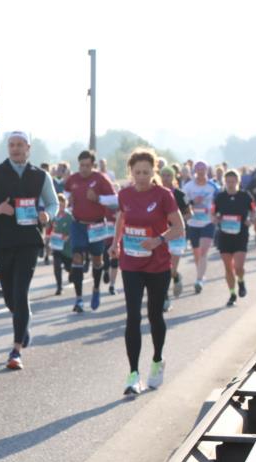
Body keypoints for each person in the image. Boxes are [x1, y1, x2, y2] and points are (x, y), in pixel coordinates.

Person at [0, 130, 59, 370]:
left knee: (20, 293)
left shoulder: (40, 176)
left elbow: (54, 203)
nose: (15, 149)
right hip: (2, 241)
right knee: (11, 296)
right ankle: (24, 321)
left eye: (20, 145)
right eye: (12, 145)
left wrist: (47, 214)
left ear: (28, 148)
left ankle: (16, 350)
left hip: (29, 240)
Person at [110, 149, 185, 396]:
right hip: (131, 262)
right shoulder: (125, 194)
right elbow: (121, 218)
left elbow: (179, 227)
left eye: (146, 172)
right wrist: (115, 242)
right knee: (132, 316)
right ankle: (133, 374)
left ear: (153, 172)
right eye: (136, 172)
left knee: (154, 314)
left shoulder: (163, 195)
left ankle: (157, 359)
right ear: (130, 172)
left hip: (158, 263)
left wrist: (158, 240)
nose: (141, 177)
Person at [64, 150, 116, 313]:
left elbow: (115, 200)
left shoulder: (101, 179)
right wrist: (68, 201)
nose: (84, 169)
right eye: (81, 165)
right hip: (78, 224)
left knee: (97, 260)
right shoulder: (72, 179)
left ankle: (95, 288)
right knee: (77, 258)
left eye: (87, 166)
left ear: (93, 165)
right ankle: (79, 299)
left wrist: (98, 199)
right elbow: (64, 197)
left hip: (97, 225)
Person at [213, 170, 256, 307]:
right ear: (225, 182)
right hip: (224, 235)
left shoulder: (245, 196)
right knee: (228, 268)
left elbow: (254, 209)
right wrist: (215, 219)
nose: (231, 185)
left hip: (240, 234)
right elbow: (212, 212)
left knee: (238, 266)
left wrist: (251, 219)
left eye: (233, 182)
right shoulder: (220, 197)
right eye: (228, 182)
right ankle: (232, 293)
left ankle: (241, 281)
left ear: (238, 182)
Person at [181, 161, 219, 294]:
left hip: (208, 223)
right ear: (195, 171)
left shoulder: (213, 186)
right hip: (193, 223)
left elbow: (220, 201)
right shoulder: (188, 186)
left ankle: (198, 280)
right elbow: (181, 201)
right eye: (198, 170)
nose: (201, 173)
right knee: (196, 253)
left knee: (203, 251)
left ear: (207, 171)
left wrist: (217, 215)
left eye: (203, 170)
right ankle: (201, 275)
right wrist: (192, 202)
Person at [160, 167, 191, 311]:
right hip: (162, 234)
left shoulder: (181, 194)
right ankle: (165, 297)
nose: (165, 178)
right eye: (163, 175)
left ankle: (176, 276)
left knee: (171, 269)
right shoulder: (157, 193)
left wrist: (177, 222)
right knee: (164, 267)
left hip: (177, 234)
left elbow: (189, 214)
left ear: (173, 177)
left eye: (168, 176)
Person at [50, 193, 74, 295]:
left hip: (67, 247)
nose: (61, 207)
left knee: (69, 267)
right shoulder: (53, 216)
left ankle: (71, 273)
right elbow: (49, 228)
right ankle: (59, 287)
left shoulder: (69, 217)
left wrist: (68, 236)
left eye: (63, 205)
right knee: (56, 266)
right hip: (57, 246)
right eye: (59, 205)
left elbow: (74, 230)